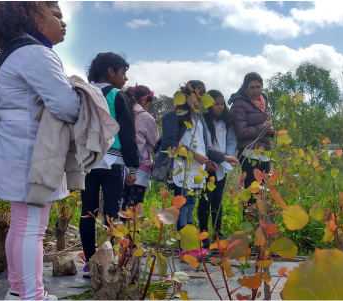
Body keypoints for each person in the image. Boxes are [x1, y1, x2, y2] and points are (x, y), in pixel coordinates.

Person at [0, 2, 80, 300]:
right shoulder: (35, 53)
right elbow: (67, 106)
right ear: (33, 15)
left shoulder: (12, 51)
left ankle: (18, 290)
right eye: (57, 15)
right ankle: (31, 296)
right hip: (31, 155)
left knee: (22, 225)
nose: (63, 23)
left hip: (12, 151)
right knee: (31, 228)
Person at [160, 81, 237, 260]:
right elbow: (169, 145)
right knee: (182, 208)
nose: (199, 101)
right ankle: (185, 248)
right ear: (185, 96)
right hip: (181, 171)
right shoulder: (174, 116)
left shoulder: (199, 118)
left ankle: (191, 246)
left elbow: (206, 147)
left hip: (196, 173)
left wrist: (223, 157)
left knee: (190, 206)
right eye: (195, 96)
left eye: (201, 98)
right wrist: (193, 154)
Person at [79, 52, 139, 277]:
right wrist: (133, 167)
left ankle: (88, 264)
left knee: (88, 212)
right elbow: (127, 134)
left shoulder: (83, 92)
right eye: (123, 72)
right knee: (112, 213)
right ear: (111, 72)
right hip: (113, 162)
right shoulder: (116, 95)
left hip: (87, 161)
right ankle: (108, 261)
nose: (125, 78)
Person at [229, 72, 275, 215]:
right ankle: (249, 225)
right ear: (244, 88)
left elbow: (266, 124)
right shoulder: (239, 104)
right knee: (250, 190)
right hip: (249, 152)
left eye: (258, 87)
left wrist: (271, 131)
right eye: (252, 87)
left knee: (264, 189)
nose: (256, 90)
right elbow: (241, 131)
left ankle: (261, 225)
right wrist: (264, 127)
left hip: (264, 152)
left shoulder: (264, 101)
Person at [199, 90, 237, 248]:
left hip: (221, 167)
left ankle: (217, 232)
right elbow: (201, 144)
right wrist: (209, 159)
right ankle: (203, 233)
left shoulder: (225, 123)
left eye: (222, 104)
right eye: (216, 104)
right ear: (208, 104)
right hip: (205, 166)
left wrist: (226, 156)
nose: (220, 107)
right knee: (204, 200)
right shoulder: (202, 121)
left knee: (217, 201)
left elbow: (231, 141)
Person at [121, 84, 159, 213]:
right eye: (148, 104)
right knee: (134, 210)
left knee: (119, 206)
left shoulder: (122, 111)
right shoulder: (145, 117)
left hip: (120, 165)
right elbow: (156, 143)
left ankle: (115, 233)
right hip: (139, 168)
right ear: (144, 100)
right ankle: (131, 233)